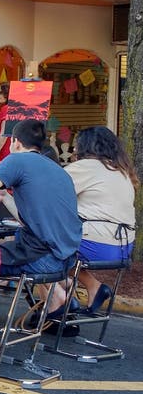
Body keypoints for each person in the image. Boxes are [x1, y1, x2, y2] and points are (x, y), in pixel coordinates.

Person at [0, 119, 82, 318]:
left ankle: (56, 298)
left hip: (42, 258)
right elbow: (29, 220)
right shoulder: (57, 169)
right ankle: (55, 298)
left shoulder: (17, 160)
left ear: (15, 141)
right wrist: (5, 197)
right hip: (67, 259)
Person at [59, 126, 136, 313]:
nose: (73, 150)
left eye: (76, 146)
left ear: (85, 147)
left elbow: (54, 194)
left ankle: (63, 302)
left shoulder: (85, 167)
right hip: (123, 247)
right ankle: (76, 288)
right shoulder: (121, 170)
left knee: (38, 248)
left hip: (96, 244)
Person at [0, 83, 12, 159]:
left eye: (0, 93)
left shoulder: (6, 109)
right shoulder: (12, 108)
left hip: (4, 148)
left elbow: (4, 133)